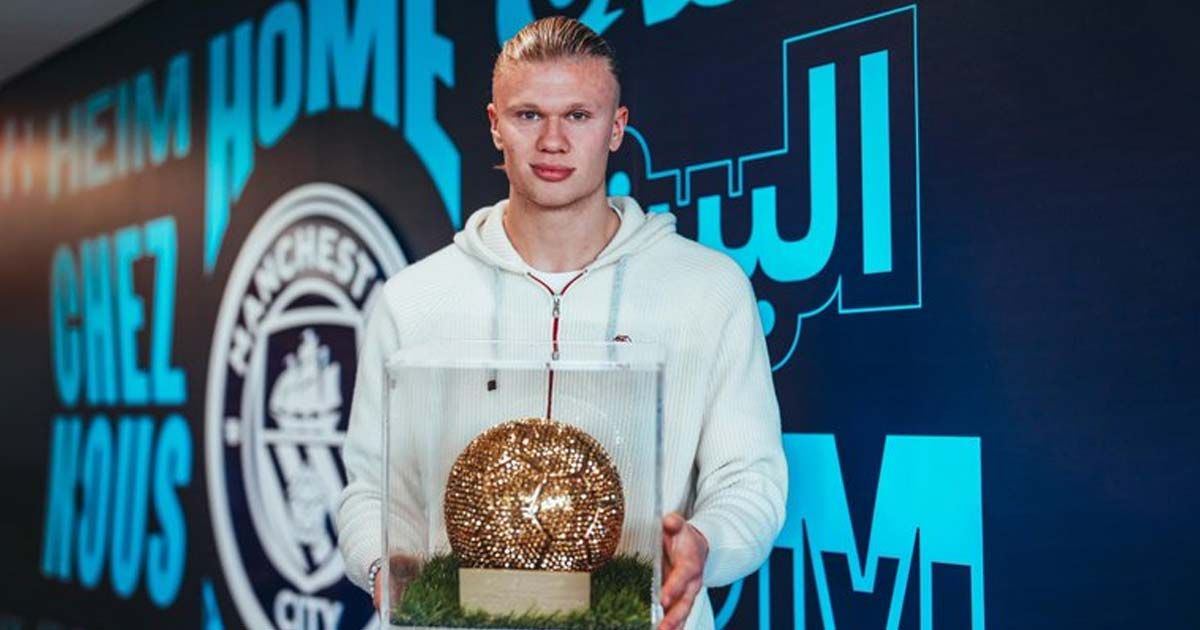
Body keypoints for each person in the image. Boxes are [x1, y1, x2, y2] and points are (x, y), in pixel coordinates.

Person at [336, 16, 787, 630]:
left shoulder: (708, 289)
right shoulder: (413, 299)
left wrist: (704, 543)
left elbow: (750, 479)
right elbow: (370, 488)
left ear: (616, 127)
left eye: (578, 115)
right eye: (528, 115)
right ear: (494, 124)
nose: (553, 140)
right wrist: (381, 566)